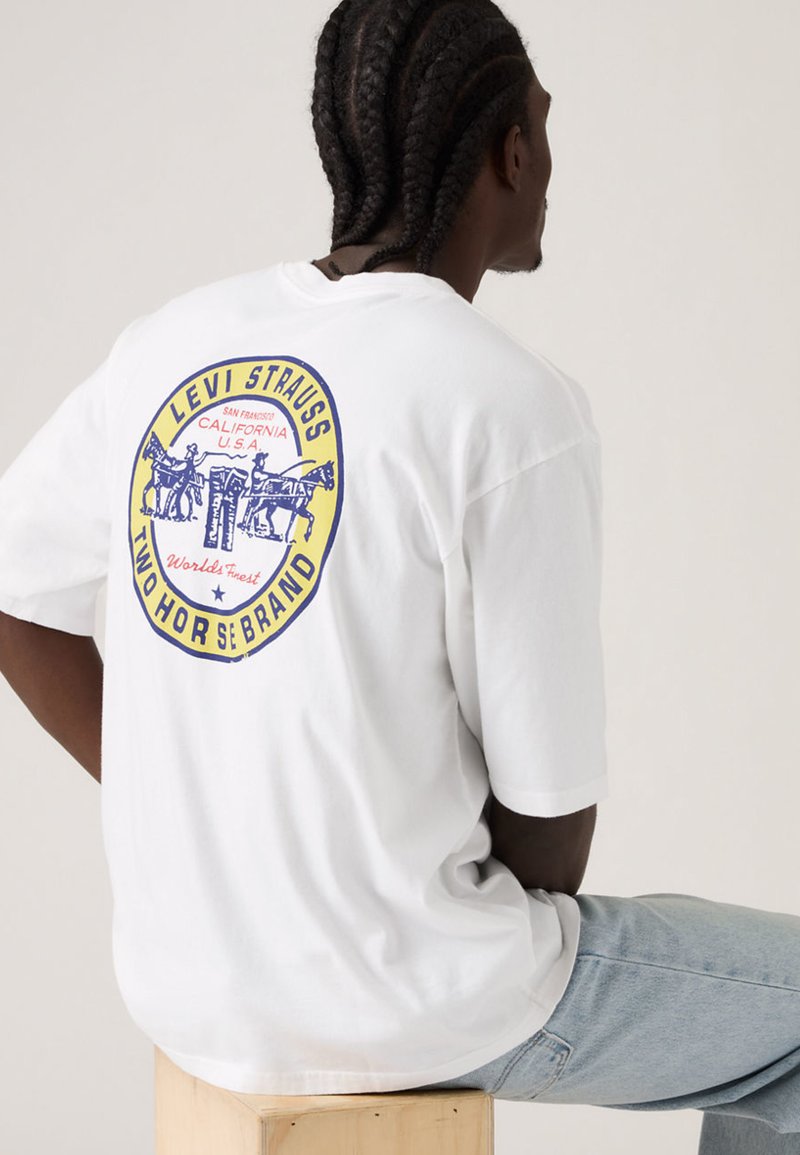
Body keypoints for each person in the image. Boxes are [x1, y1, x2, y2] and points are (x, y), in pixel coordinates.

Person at [0, 0, 797, 1150]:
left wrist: (200, 808)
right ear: (509, 150)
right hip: (409, 998)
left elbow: (15, 595)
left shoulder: (168, 346)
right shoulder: (505, 405)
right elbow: (549, 838)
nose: (549, 163)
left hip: (189, 985)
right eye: (543, 128)